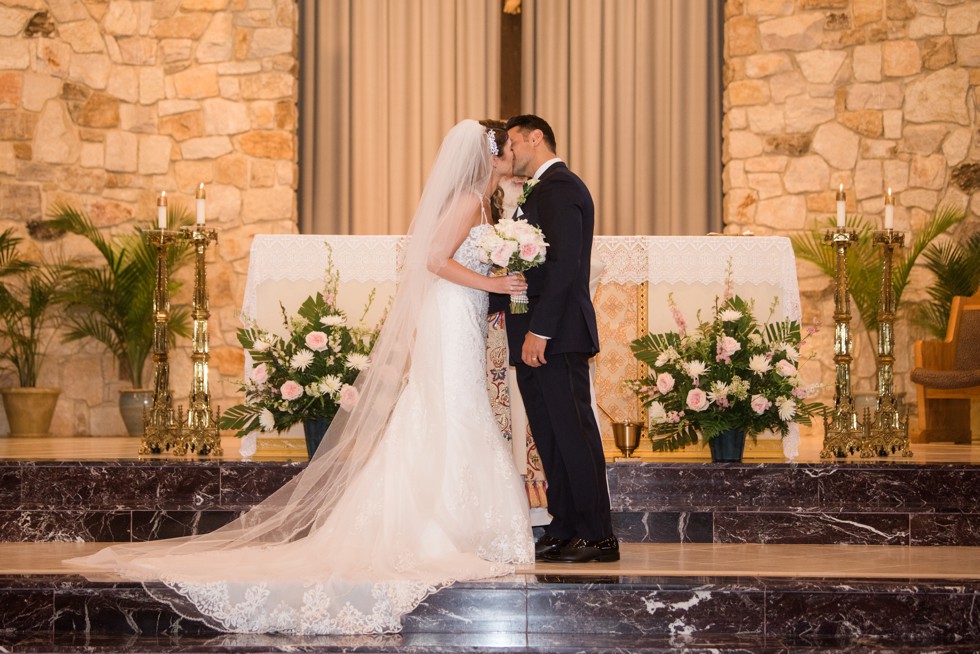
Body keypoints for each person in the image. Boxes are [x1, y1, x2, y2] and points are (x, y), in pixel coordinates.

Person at [66, 119, 534, 635]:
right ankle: (436, 526)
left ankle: (456, 522)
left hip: (463, 316)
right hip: (450, 317)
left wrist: (494, 281)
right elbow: (431, 258)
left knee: (455, 407)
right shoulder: (469, 200)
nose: (513, 153)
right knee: (449, 407)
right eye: (508, 147)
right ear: (490, 156)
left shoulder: (488, 202)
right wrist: (493, 279)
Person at [504, 114, 618, 563]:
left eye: (513, 144)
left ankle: (597, 534)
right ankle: (566, 524)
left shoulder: (562, 187)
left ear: (537, 138)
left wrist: (540, 330)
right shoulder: (538, 190)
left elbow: (566, 266)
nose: (509, 153)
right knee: (550, 436)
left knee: (573, 434)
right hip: (538, 335)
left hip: (557, 335)